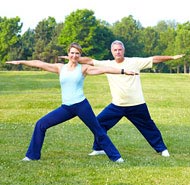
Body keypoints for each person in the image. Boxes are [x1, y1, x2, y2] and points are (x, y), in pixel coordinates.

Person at [6, 42, 138, 163]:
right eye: (72, 53)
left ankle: (116, 157)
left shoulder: (83, 68)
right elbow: (39, 63)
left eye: (77, 53)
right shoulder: (60, 68)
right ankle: (32, 155)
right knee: (41, 124)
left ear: (80, 55)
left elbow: (104, 69)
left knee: (98, 130)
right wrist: (20, 61)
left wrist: (123, 71)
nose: (74, 55)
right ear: (68, 54)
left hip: (81, 106)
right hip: (66, 108)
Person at [59, 40, 185, 157]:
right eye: (115, 50)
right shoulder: (107, 64)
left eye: (120, 49)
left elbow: (154, 59)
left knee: (148, 127)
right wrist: (74, 58)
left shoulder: (134, 62)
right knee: (99, 123)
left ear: (123, 50)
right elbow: (90, 61)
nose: (118, 52)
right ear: (112, 51)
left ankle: (162, 149)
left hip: (137, 104)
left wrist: (172, 57)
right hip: (117, 105)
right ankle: (98, 148)